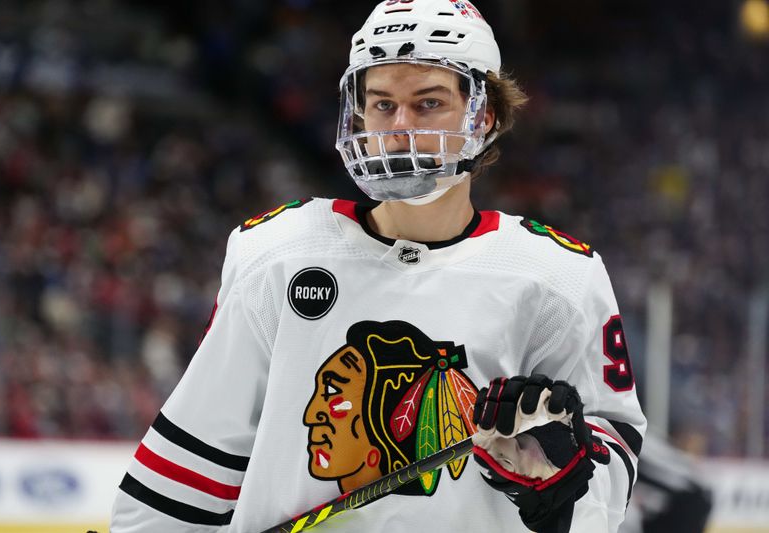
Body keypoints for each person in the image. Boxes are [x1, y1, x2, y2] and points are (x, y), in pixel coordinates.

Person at [110, 1, 646, 531]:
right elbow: (191, 464)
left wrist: (559, 477)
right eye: (382, 104)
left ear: (484, 113)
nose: (399, 127)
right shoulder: (278, 254)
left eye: (428, 103)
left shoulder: (559, 277)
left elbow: (609, 469)